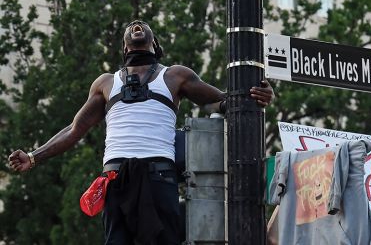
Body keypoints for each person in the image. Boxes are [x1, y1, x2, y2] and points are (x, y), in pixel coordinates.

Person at [8, 20, 274, 245]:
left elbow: (222, 101)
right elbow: (75, 128)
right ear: (125, 47)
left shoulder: (174, 76)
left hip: (158, 177)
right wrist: (33, 156)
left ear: (154, 45)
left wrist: (258, 95)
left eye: (143, 25)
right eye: (132, 26)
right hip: (115, 179)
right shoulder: (105, 83)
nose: (137, 24)